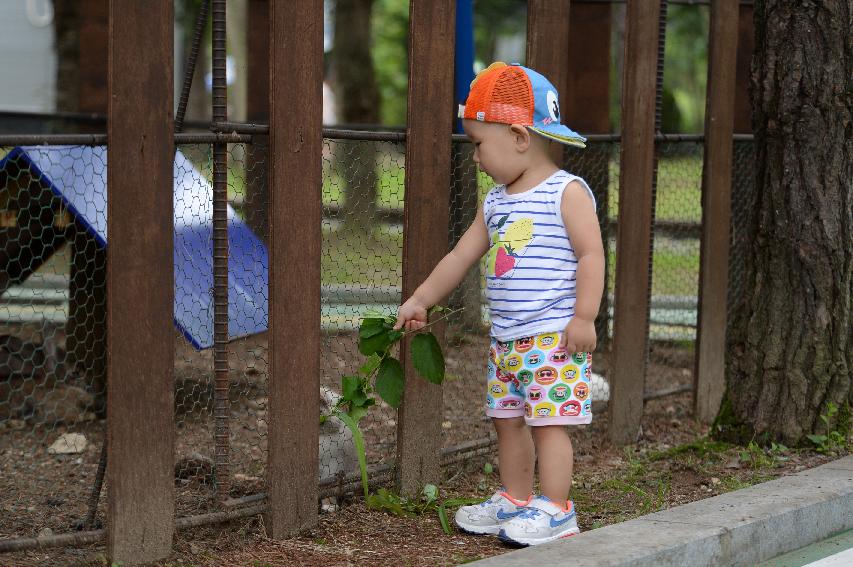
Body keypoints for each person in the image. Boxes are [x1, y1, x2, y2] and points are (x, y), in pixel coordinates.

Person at [394, 62, 605, 547]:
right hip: (507, 338)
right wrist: (421, 298)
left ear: (518, 136)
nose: (475, 157)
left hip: (554, 335)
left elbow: (591, 254)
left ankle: (556, 509)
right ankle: (514, 498)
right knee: (507, 422)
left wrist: (585, 317)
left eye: (477, 144)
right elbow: (461, 255)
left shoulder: (566, 193)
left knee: (549, 425)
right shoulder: (495, 202)